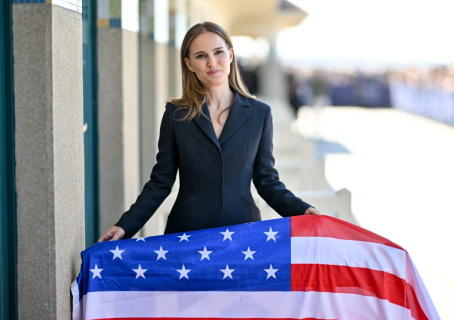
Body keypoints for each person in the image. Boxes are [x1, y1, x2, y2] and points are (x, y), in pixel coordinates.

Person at [98, 22, 319, 242]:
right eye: (201, 56)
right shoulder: (176, 114)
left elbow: (267, 182)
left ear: (231, 55)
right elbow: (160, 183)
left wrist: (302, 211)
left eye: (218, 52)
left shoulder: (260, 114)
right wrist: (124, 226)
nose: (212, 63)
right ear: (189, 64)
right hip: (187, 236)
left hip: (243, 238)